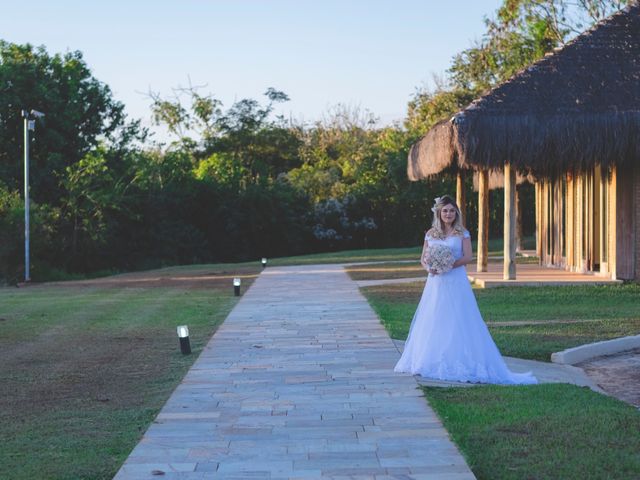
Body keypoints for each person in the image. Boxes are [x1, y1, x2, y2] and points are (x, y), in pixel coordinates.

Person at [394, 195, 537, 385]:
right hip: (435, 281)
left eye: (452, 211)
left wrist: (448, 265)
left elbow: (468, 257)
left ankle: (461, 360)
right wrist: (430, 268)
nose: (448, 214)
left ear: (456, 213)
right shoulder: (431, 233)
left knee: (458, 317)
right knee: (434, 317)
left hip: (455, 280)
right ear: (439, 212)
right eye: (445, 210)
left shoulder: (463, 233)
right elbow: (423, 258)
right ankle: (429, 360)